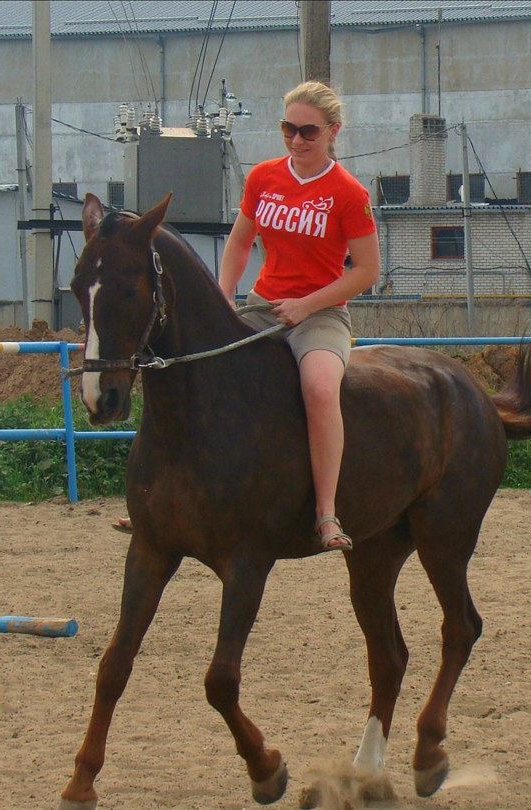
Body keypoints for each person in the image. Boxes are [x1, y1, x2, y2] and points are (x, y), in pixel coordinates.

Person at [115, 81, 380, 551]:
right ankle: (158, 499)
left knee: (320, 389)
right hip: (263, 306)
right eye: (288, 128)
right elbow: (240, 242)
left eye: (308, 131)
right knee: (193, 374)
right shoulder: (263, 177)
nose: (296, 140)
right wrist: (223, 296)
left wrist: (307, 305)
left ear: (333, 131)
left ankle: (325, 512)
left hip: (321, 316)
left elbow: (366, 271)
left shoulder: (348, 193)